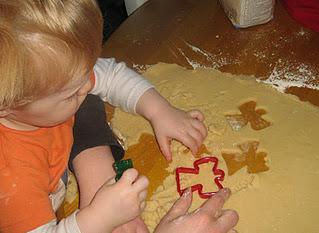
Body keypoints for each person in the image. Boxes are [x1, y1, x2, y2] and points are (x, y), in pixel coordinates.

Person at [0, 0, 238, 232]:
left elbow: (109, 75)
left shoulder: (36, 87)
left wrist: (159, 110)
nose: (88, 86)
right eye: (71, 93)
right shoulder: (11, 182)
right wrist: (99, 218)